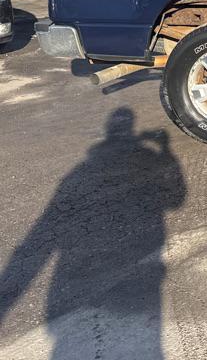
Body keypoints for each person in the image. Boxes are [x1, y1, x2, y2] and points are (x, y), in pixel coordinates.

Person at [0, 108, 185, 359]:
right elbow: (175, 199)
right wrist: (165, 150)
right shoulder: (145, 158)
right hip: (134, 282)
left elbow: (42, 234)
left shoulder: (79, 173)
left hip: (76, 281)